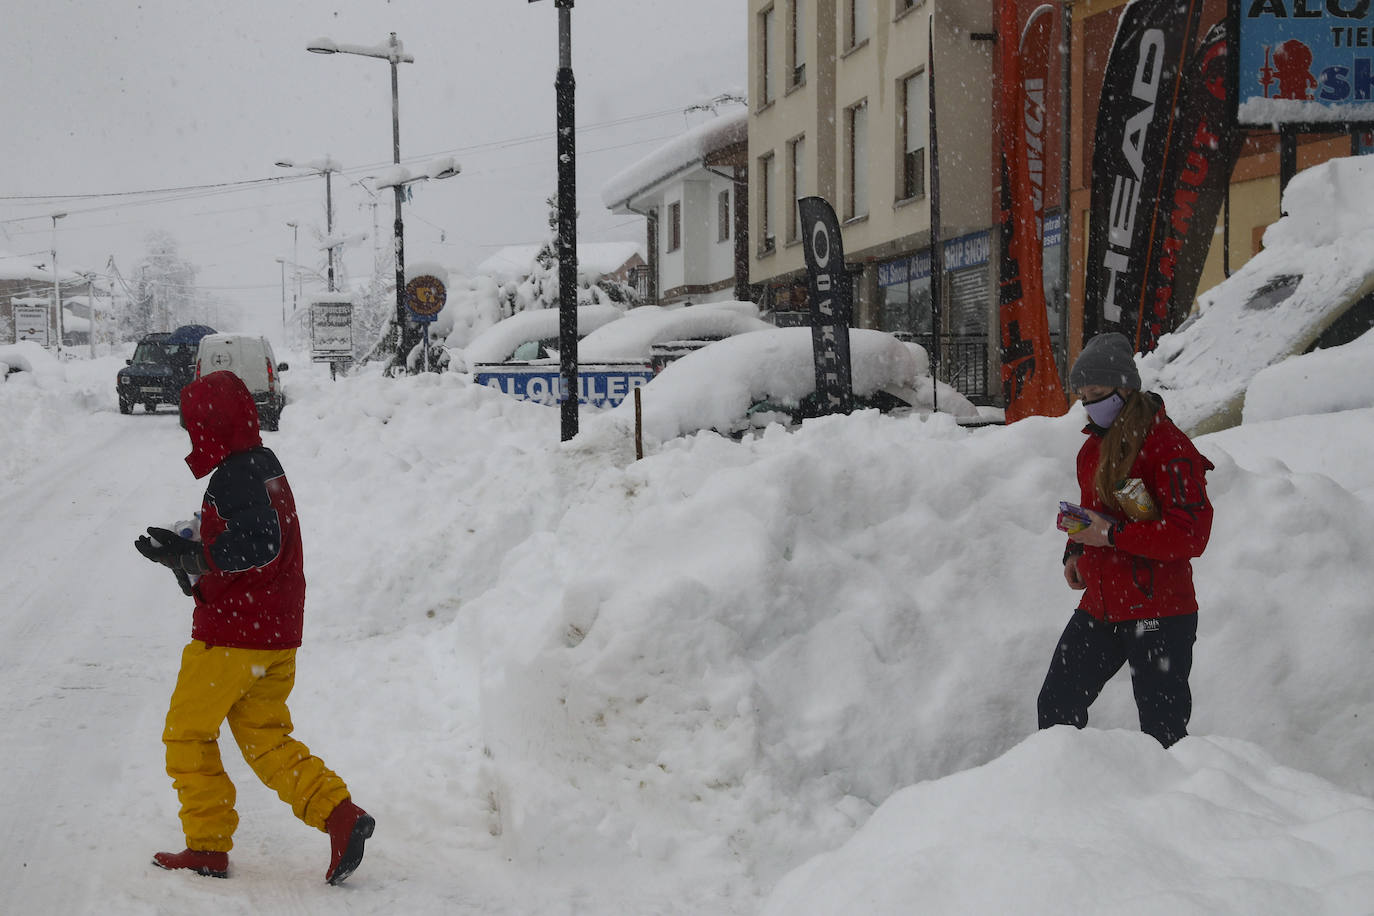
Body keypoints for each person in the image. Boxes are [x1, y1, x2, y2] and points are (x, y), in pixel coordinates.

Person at [134, 370, 373, 883]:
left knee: (186, 733)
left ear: (213, 424)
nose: (193, 436)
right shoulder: (263, 465)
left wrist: (194, 553)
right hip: (273, 632)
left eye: (195, 426)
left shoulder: (234, 475)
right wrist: (183, 556)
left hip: (231, 638)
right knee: (265, 738)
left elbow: (257, 543)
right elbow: (255, 541)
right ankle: (338, 814)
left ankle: (207, 845)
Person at [1037, 332, 1214, 748]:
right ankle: (1066, 799)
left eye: (1096, 393)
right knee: (1056, 706)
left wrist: (1112, 535)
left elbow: (1190, 534)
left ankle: (1171, 812)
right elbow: (1094, 514)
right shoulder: (1092, 449)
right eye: (1082, 396)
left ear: (1125, 388)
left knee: (1163, 733)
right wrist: (1077, 547)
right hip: (1101, 604)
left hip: (1158, 610)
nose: (1088, 404)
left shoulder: (1168, 446)